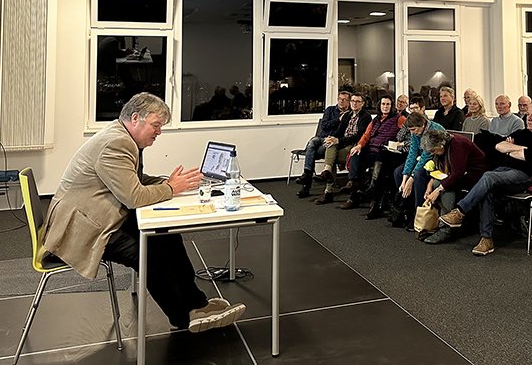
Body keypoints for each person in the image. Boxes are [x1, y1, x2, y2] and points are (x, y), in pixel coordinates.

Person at [41, 93, 246, 332]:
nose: (159, 132)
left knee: (166, 235)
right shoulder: (115, 144)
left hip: (99, 216)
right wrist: (171, 188)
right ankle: (183, 317)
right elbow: (133, 197)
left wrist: (169, 183)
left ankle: (196, 304)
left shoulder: (123, 137)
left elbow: (133, 180)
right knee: (151, 253)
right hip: (83, 229)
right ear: (136, 118)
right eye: (156, 125)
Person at [438, 101, 532, 254]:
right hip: (504, 172)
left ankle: (460, 211)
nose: (529, 118)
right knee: (487, 190)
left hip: (526, 176)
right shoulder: (521, 133)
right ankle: (486, 239)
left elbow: (529, 157)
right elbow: (499, 146)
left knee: (488, 177)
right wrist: (523, 150)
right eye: (528, 115)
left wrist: (513, 150)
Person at [417, 130, 488, 245]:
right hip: (461, 174)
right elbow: (439, 170)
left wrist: (438, 190)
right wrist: (430, 185)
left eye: (434, 151)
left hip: (475, 175)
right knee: (436, 184)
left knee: (447, 188)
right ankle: (440, 223)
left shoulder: (458, 145)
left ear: (441, 145)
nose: (433, 154)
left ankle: (446, 229)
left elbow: (457, 174)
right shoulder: (444, 146)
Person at [339, 95, 406, 212]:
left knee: (377, 158)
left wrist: (398, 143)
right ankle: (352, 186)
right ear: (379, 106)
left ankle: (372, 188)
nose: (385, 106)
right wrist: (359, 145)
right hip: (371, 149)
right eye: (383, 104)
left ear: (392, 106)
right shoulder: (375, 120)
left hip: (385, 152)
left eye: (388, 104)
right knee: (356, 154)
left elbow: (408, 132)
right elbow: (366, 135)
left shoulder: (399, 118)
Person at [314, 93, 371, 204]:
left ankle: (328, 191)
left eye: (357, 101)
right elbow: (339, 131)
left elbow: (359, 136)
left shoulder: (366, 116)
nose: (354, 103)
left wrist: (339, 140)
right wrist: (332, 138)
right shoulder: (347, 115)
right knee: (330, 145)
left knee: (332, 157)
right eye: (353, 101)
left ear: (362, 104)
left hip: (355, 145)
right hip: (344, 143)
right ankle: (327, 171)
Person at [296, 91, 351, 197]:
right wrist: (338, 120)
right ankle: (307, 174)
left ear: (349, 102)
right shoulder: (330, 110)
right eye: (340, 99)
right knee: (312, 142)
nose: (341, 101)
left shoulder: (350, 114)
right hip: (322, 137)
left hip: (333, 141)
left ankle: (306, 184)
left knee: (313, 152)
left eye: (344, 99)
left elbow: (343, 132)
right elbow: (324, 125)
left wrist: (334, 136)